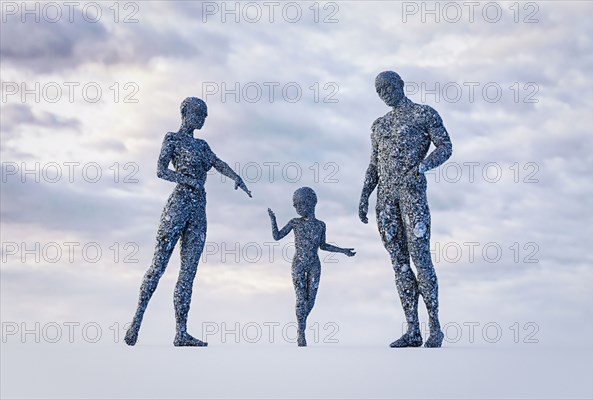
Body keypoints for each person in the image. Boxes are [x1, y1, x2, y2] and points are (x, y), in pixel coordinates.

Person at [125, 97, 252, 347]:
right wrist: (189, 181)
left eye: (205, 115)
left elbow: (218, 163)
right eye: (200, 113)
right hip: (179, 204)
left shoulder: (203, 145)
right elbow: (161, 170)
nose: (203, 118)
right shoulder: (172, 138)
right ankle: (136, 322)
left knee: (188, 273)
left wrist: (236, 176)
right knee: (158, 266)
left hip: (198, 211)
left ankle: (181, 332)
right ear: (185, 112)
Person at [359, 71, 452, 348]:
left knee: (420, 258)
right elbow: (374, 164)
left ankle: (435, 325)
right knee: (399, 263)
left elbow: (445, 147)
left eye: (388, 86)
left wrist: (422, 167)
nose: (385, 93)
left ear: (401, 85)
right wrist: (365, 195)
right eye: (379, 90)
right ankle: (413, 329)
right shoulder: (378, 125)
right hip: (385, 199)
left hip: (411, 194)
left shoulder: (423, 114)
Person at [268, 187, 355, 346]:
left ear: (311, 203)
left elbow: (323, 245)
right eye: (295, 205)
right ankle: (301, 332)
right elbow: (277, 236)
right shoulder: (295, 222)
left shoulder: (320, 225)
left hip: (314, 264)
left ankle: (301, 321)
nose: (297, 208)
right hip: (299, 264)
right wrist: (273, 220)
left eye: (300, 204)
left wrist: (343, 251)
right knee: (301, 299)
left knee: (311, 301)